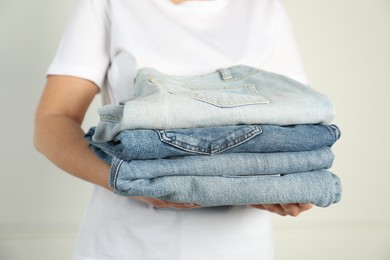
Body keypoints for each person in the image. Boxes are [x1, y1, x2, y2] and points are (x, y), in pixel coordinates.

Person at [34, 0, 313, 259]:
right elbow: (53, 120)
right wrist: (128, 180)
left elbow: (295, 125)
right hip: (125, 243)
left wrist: (282, 185)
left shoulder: (262, 9)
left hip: (235, 247)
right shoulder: (108, 4)